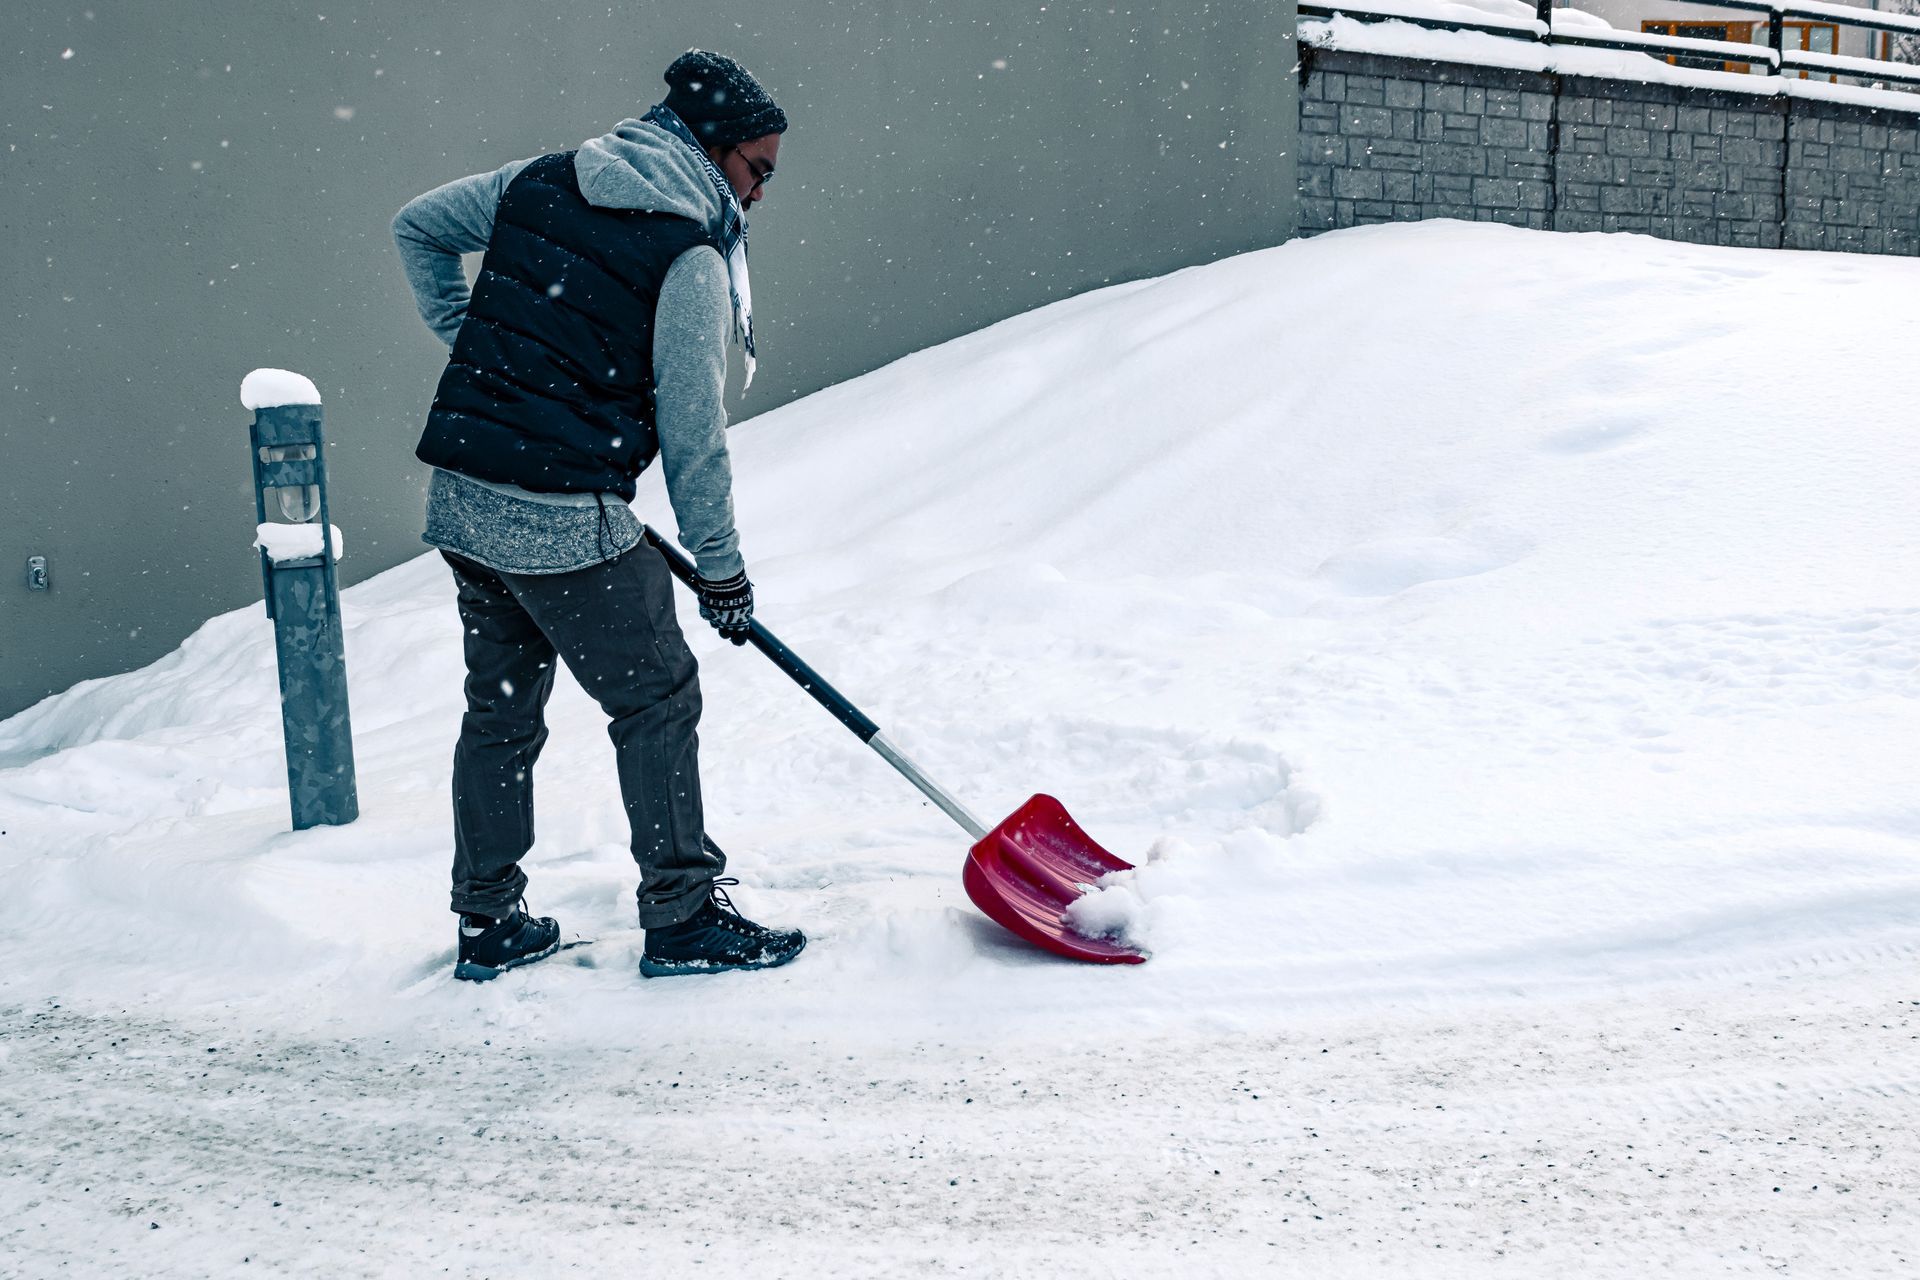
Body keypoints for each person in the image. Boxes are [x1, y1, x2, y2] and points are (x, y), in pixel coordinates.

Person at [390, 49, 804, 982]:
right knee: (658, 697)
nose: (761, 196)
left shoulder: (539, 181)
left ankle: (487, 923)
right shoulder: (688, 256)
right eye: (759, 171)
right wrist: (723, 570)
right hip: (555, 519)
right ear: (711, 147)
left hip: (464, 503)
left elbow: (417, 226)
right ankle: (685, 916)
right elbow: (694, 433)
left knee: (499, 712)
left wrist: (491, 357)